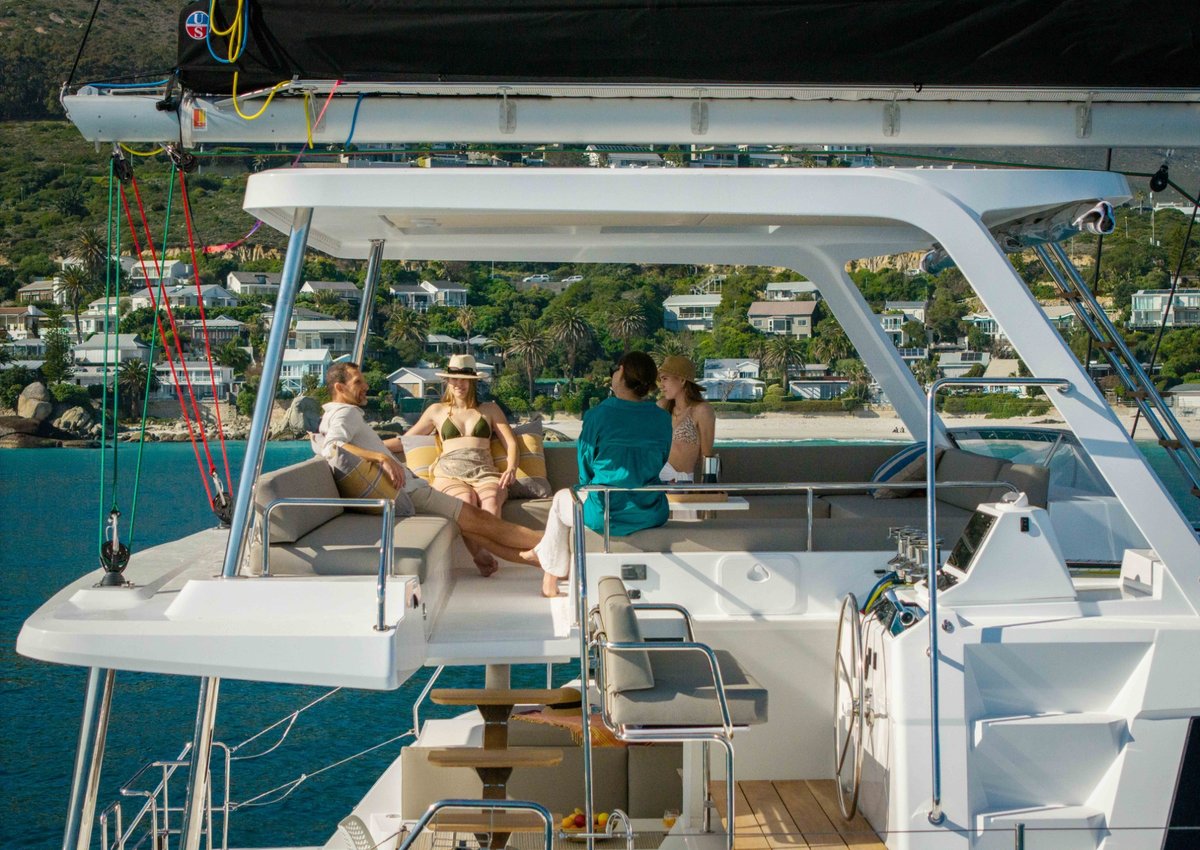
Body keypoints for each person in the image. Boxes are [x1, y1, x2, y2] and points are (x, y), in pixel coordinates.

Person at [314, 361, 542, 574]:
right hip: (413, 490)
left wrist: (381, 453)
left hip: (422, 486)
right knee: (480, 521)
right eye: (358, 382)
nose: (366, 386)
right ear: (340, 388)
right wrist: (381, 458)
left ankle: (539, 557)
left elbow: (333, 444)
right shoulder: (346, 413)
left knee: (476, 523)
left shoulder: (330, 416)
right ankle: (551, 544)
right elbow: (333, 446)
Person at [522, 352, 672, 597]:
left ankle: (550, 577)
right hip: (650, 511)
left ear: (622, 373)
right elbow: (662, 459)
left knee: (561, 500)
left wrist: (589, 487)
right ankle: (543, 556)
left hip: (604, 512)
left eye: (616, 369)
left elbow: (585, 465)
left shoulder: (599, 415)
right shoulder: (662, 418)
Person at [405, 354, 517, 517]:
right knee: (466, 501)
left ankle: (489, 535)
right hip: (448, 474)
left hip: (485, 473)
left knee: (491, 502)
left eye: (464, 379)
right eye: (454, 379)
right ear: (448, 381)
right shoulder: (436, 410)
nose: (459, 384)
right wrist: (375, 446)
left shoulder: (490, 409)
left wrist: (511, 468)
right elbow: (406, 440)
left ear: (473, 382)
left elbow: (511, 443)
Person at [656, 355, 716, 481]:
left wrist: (708, 486)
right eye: (661, 379)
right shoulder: (661, 406)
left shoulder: (702, 410)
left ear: (682, 380)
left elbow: (707, 456)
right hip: (653, 481)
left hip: (680, 484)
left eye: (665, 379)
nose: (661, 385)